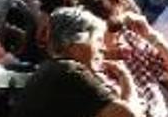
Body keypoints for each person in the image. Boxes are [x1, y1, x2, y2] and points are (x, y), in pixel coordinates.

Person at [13, 7, 141, 117]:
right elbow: (130, 115)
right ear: (77, 43)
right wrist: (125, 78)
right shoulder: (70, 72)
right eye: (97, 41)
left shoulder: (53, 69)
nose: (102, 49)